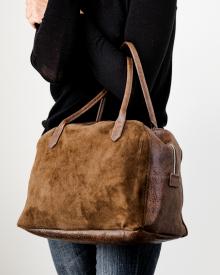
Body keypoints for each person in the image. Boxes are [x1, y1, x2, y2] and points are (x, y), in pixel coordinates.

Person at [26, 0, 178, 274]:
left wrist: (78, 20)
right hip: (63, 164)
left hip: (124, 169)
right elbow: (50, 66)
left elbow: (130, 87)